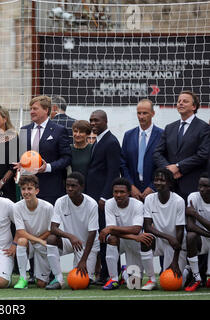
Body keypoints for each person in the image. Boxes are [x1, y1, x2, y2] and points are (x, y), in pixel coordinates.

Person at [45, 172, 100, 289]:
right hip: (70, 242)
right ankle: (58, 280)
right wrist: (70, 236)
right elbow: (53, 228)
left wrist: (83, 260)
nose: (69, 188)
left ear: (82, 187)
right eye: (67, 185)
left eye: (73, 186)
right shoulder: (61, 201)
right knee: (51, 239)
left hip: (87, 245)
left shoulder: (92, 204)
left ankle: (90, 270)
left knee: (82, 284)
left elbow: (92, 233)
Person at [85, 109, 122, 284]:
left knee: (106, 237)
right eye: (91, 120)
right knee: (99, 236)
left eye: (96, 120)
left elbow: (113, 173)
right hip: (93, 197)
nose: (93, 123)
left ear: (105, 121)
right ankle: (104, 273)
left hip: (102, 199)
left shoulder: (111, 142)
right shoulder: (98, 141)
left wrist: (105, 197)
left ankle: (108, 274)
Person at [98, 178, 154, 290]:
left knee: (134, 285)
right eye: (115, 192)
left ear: (129, 193)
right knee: (111, 239)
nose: (118, 195)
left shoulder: (138, 204)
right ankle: (113, 279)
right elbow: (112, 232)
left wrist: (113, 228)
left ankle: (125, 272)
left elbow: (136, 229)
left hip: (134, 243)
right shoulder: (109, 203)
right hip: (124, 240)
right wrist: (134, 237)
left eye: (122, 192)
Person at [153, 90, 209, 201]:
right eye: (179, 101)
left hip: (191, 185)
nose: (180, 103)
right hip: (170, 186)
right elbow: (157, 153)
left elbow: (203, 154)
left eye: (185, 101)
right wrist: (169, 170)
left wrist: (179, 167)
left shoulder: (203, 128)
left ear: (194, 107)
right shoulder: (169, 128)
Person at [17, 95, 71, 205]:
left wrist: (48, 167)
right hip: (28, 188)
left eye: (35, 108)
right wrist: (21, 164)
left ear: (46, 110)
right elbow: (22, 155)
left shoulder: (59, 130)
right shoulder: (24, 130)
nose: (31, 111)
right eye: (30, 109)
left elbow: (67, 158)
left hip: (50, 188)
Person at [140, 168, 188, 291]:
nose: (158, 183)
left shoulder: (178, 201)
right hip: (162, 239)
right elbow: (147, 227)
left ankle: (187, 271)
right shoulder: (150, 199)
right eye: (156, 180)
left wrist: (175, 261)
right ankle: (152, 279)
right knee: (145, 238)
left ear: (170, 183)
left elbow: (180, 232)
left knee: (175, 285)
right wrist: (167, 237)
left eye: (162, 180)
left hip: (177, 242)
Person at [13, 175, 53, 289]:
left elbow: (51, 230)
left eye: (29, 189)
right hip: (33, 242)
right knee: (21, 241)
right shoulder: (17, 207)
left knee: (41, 284)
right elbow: (20, 232)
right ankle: (23, 278)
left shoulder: (48, 207)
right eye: (23, 189)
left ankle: (48, 275)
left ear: (37, 190)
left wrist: (40, 241)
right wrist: (38, 240)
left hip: (43, 244)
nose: (26, 192)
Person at [121, 99, 163, 202]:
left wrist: (153, 187)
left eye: (145, 113)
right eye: (139, 113)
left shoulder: (162, 135)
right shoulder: (128, 135)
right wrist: (130, 186)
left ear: (153, 113)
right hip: (132, 191)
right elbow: (122, 164)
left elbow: (164, 164)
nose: (141, 116)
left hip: (155, 191)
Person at [184, 172, 210, 291]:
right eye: (200, 186)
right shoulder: (193, 197)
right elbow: (190, 226)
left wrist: (196, 215)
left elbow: (195, 220)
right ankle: (196, 277)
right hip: (202, 238)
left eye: (205, 186)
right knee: (190, 236)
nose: (201, 189)